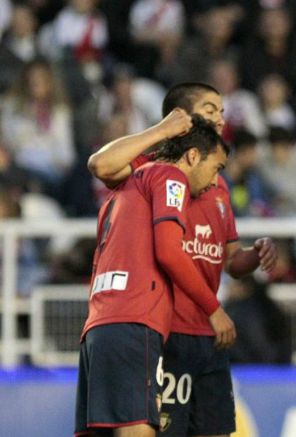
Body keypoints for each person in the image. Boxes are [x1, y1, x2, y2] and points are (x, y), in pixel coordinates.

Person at [87, 82, 278, 437]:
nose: (220, 118)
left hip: (209, 334)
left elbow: (229, 259)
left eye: (221, 110)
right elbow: (100, 164)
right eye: (210, 109)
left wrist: (254, 256)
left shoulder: (215, 183)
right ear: (181, 118)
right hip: (164, 328)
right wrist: (161, 132)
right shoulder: (156, 168)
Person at [75, 117, 234, 436]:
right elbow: (169, 251)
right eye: (216, 168)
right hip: (135, 322)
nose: (215, 181)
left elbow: (102, 164)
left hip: (99, 327)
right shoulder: (169, 176)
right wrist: (213, 309)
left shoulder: (122, 189)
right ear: (192, 156)